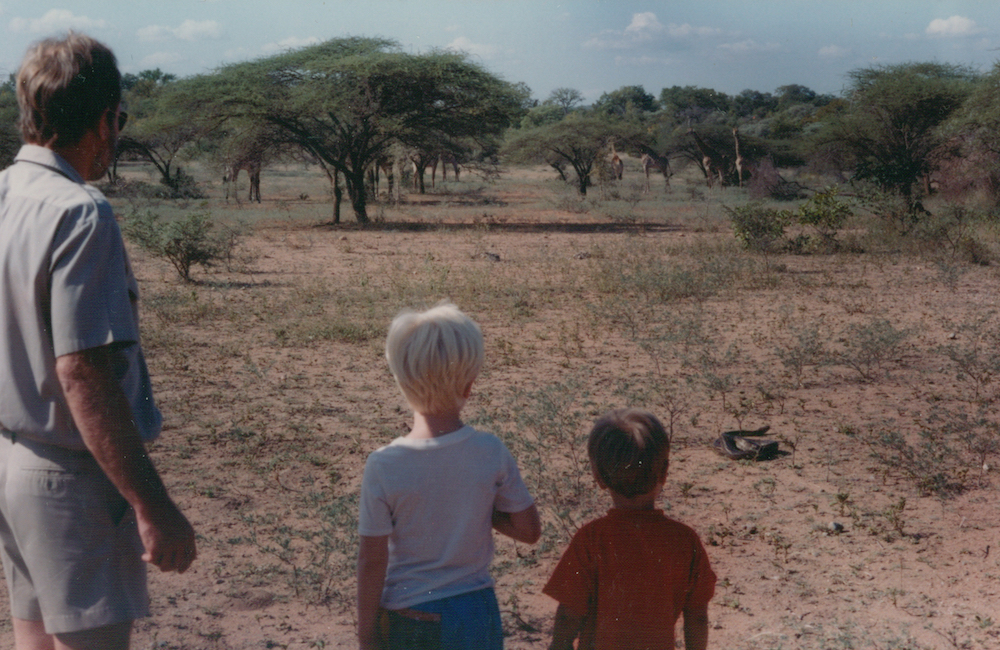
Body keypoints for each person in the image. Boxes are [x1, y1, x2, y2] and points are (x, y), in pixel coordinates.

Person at [0, 33, 196, 650]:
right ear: (105, 119)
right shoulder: (82, 211)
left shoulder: (6, 193)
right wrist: (152, 503)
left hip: (11, 460)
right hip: (70, 478)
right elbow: (83, 372)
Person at [357, 302, 541, 650]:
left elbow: (371, 560)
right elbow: (529, 531)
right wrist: (480, 506)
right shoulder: (490, 451)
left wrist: (367, 639)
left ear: (401, 380)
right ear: (469, 385)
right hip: (475, 613)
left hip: (412, 618)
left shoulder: (383, 465)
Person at [543, 408, 716, 650]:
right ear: (664, 473)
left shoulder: (592, 539)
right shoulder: (685, 541)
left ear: (599, 477)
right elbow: (697, 615)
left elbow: (568, 613)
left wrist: (558, 646)